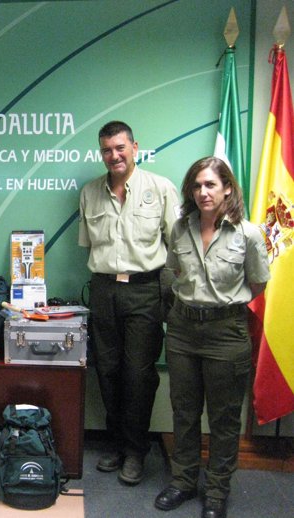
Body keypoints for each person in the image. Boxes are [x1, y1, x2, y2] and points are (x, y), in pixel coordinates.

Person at [154, 157, 270, 518]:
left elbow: (258, 282)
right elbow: (170, 273)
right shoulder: (179, 228)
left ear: (227, 189)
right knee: (184, 412)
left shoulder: (248, 234)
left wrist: (220, 307)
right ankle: (184, 481)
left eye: (210, 185)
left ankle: (217, 490)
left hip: (227, 334)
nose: (203, 192)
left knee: (223, 417)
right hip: (183, 331)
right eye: (197, 186)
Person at [78, 121, 180, 485]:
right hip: (104, 290)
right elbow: (89, 245)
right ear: (101, 152)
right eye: (107, 150)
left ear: (135, 147)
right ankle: (118, 443)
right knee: (106, 369)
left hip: (145, 290)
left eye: (120, 148)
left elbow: (178, 246)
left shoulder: (161, 188)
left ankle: (136, 450)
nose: (114, 155)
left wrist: (169, 295)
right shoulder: (90, 192)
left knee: (138, 374)